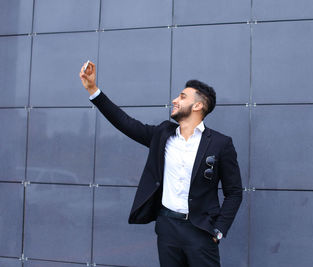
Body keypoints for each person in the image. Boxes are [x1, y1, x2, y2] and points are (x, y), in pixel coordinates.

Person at [79, 62, 242, 267]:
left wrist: (218, 229)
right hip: (167, 228)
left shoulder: (220, 143)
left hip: (201, 231)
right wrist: (94, 90)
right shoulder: (163, 134)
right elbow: (126, 123)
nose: (175, 100)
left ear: (198, 106)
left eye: (182, 97)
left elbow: (234, 192)